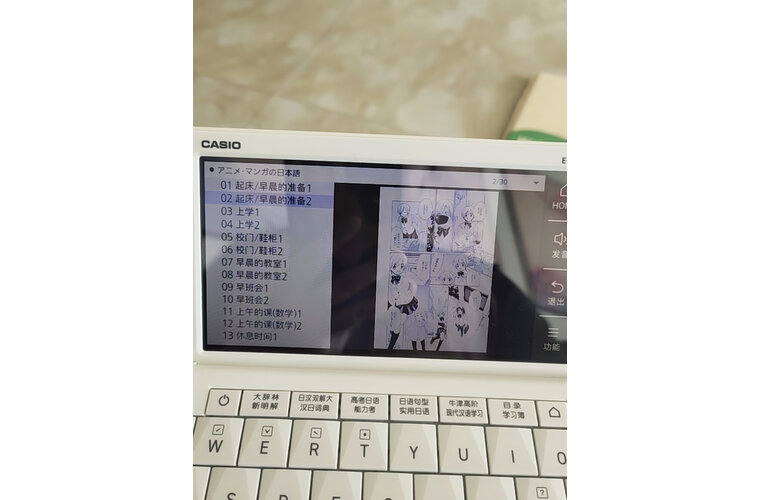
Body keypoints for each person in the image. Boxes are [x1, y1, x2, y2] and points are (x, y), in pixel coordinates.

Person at [387, 252, 418, 349]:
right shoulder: (387, 278)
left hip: (401, 303)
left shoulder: (405, 279)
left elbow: (409, 288)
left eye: (402, 266)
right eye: (396, 265)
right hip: (390, 302)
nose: (399, 268)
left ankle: (390, 346)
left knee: (398, 326)